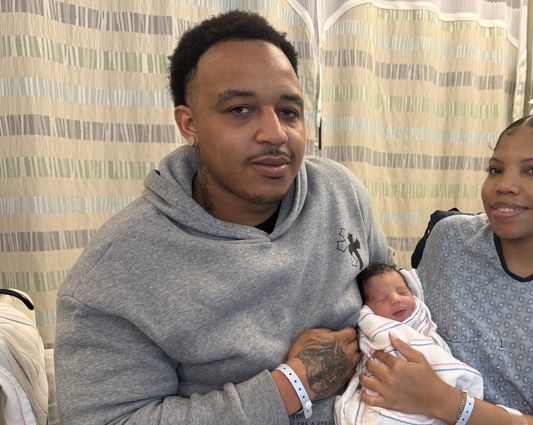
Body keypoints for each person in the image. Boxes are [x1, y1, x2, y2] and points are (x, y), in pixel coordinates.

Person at [54, 10, 394, 425]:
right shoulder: (116, 271)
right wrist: (291, 387)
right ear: (189, 123)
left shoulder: (339, 193)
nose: (274, 134)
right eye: (240, 109)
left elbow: (388, 292)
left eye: (289, 111)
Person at [359, 115, 533, 425]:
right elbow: (408, 321)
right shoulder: (450, 240)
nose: (504, 185)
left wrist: (446, 402)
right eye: (495, 170)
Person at [334, 264, 483, 425]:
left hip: (436, 396)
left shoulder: (424, 326)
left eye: (403, 292)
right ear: (368, 310)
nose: (396, 299)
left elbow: (438, 357)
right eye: (382, 299)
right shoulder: (376, 329)